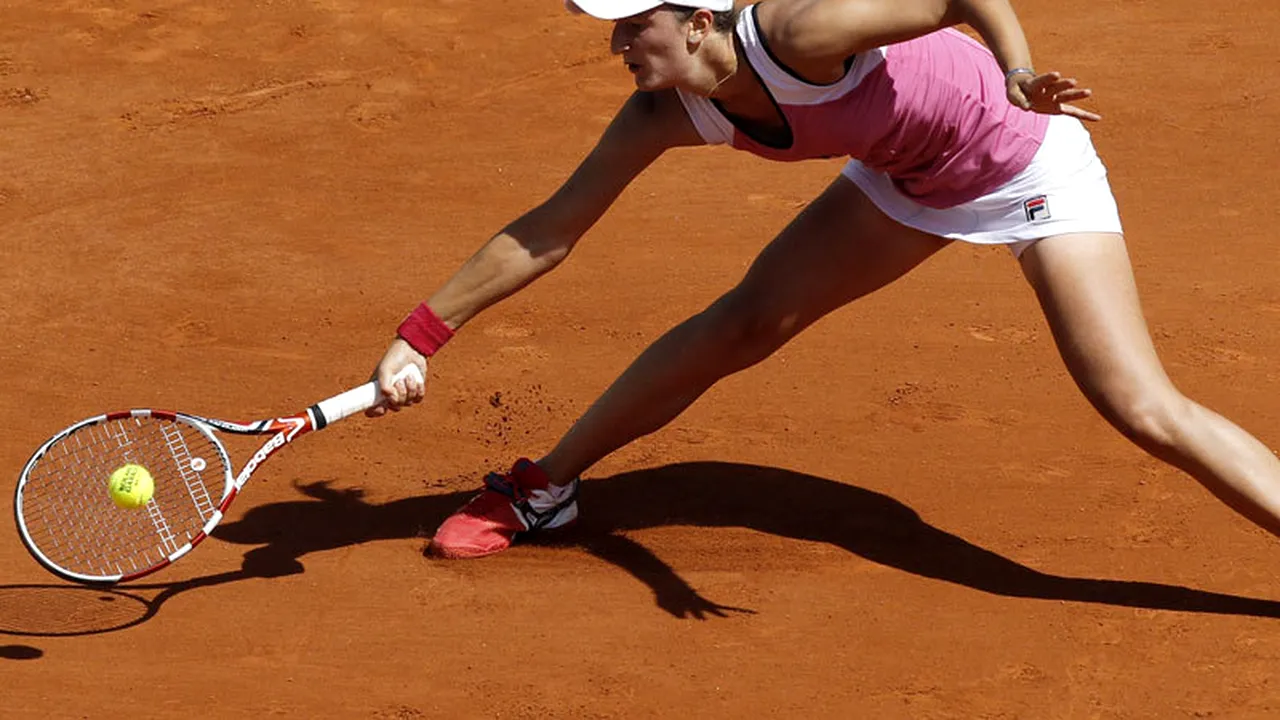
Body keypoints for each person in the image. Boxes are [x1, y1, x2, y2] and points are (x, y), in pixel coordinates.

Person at [368, 0, 1280, 560]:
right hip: (903, 175)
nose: (617, 44)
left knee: (1139, 406)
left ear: (698, 23)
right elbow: (549, 229)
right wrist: (420, 335)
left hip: (1023, 162)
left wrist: (1019, 73)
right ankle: (545, 488)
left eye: (634, 25)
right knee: (745, 322)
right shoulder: (660, 113)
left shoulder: (801, 32)